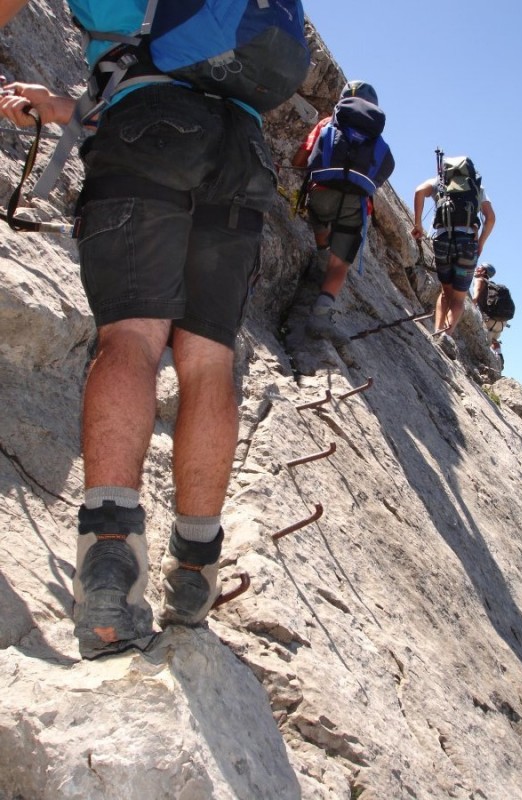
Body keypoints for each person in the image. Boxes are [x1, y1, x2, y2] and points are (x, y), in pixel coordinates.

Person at [0, 1, 305, 657]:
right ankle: (194, 571)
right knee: (208, 362)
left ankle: (111, 565)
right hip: (242, 151)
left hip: (149, 133)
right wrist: (58, 106)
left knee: (132, 339)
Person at [291, 80, 394, 345]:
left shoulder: (327, 124)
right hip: (355, 202)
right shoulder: (375, 139)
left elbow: (300, 159)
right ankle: (321, 315)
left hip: (321, 191)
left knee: (320, 217)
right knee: (341, 264)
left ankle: (321, 255)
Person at [411, 155, 495, 357]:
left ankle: (436, 330)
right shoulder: (476, 189)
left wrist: (418, 224)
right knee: (459, 296)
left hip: (442, 240)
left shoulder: (440, 183)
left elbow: (418, 191)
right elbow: (491, 218)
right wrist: (480, 243)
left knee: (445, 290)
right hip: (467, 243)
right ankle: (445, 335)